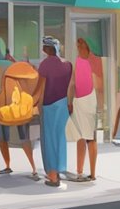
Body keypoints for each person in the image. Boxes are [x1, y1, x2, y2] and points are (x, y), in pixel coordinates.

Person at [37, 37, 73, 188]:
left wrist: (36, 103)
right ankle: (59, 170)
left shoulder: (45, 64)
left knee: (49, 139)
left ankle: (52, 176)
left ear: (47, 49)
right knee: (60, 137)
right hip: (63, 104)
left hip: (49, 105)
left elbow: (41, 87)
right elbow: (71, 86)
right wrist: (70, 103)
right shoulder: (68, 65)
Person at [70, 39, 103, 182]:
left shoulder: (94, 61)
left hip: (89, 100)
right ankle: (79, 171)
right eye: (78, 46)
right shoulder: (78, 60)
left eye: (81, 46)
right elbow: (73, 81)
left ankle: (93, 172)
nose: (79, 48)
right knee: (80, 136)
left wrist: (101, 107)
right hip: (78, 100)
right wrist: (70, 100)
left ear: (87, 46)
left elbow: (100, 85)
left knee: (90, 137)